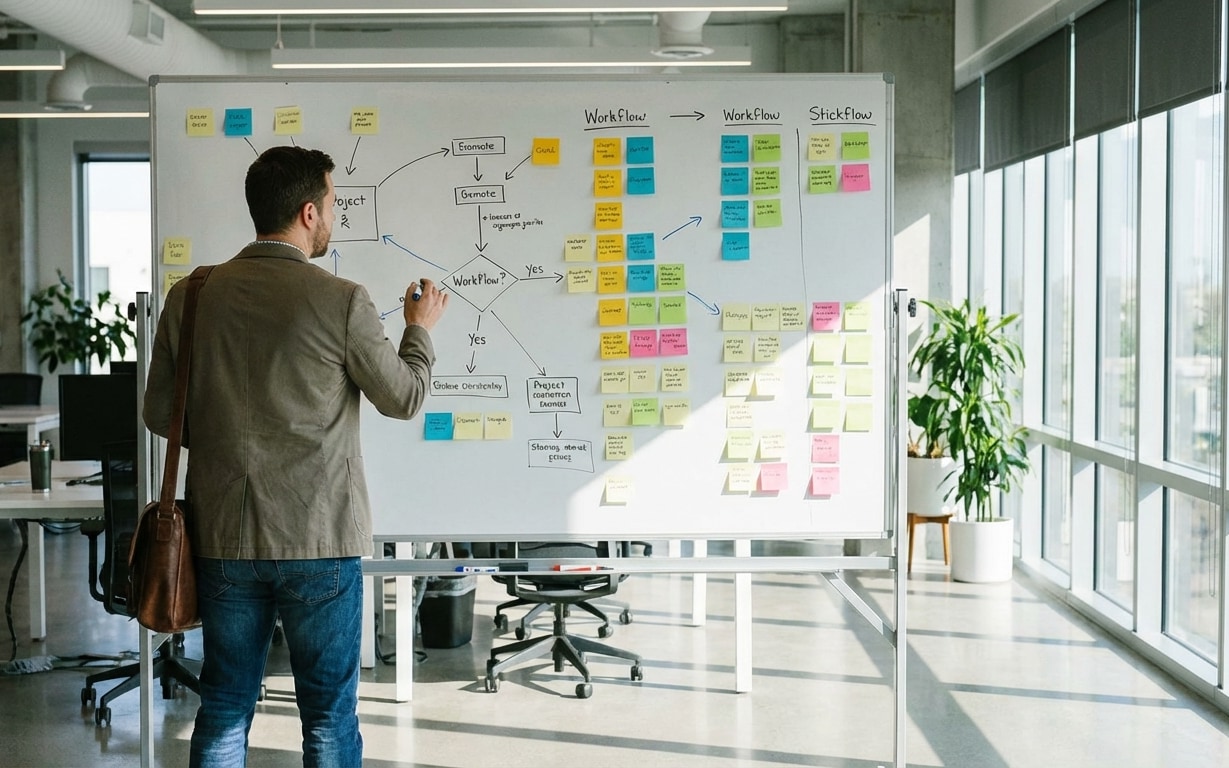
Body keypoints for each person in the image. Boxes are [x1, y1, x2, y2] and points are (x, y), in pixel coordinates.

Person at [143, 145, 449, 768]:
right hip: (320, 537)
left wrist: (234, 441)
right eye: (333, 203)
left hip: (224, 535)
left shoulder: (193, 295)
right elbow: (404, 396)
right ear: (309, 213)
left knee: (225, 701)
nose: (334, 215)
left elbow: (159, 414)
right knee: (328, 713)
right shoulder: (342, 299)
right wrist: (419, 328)